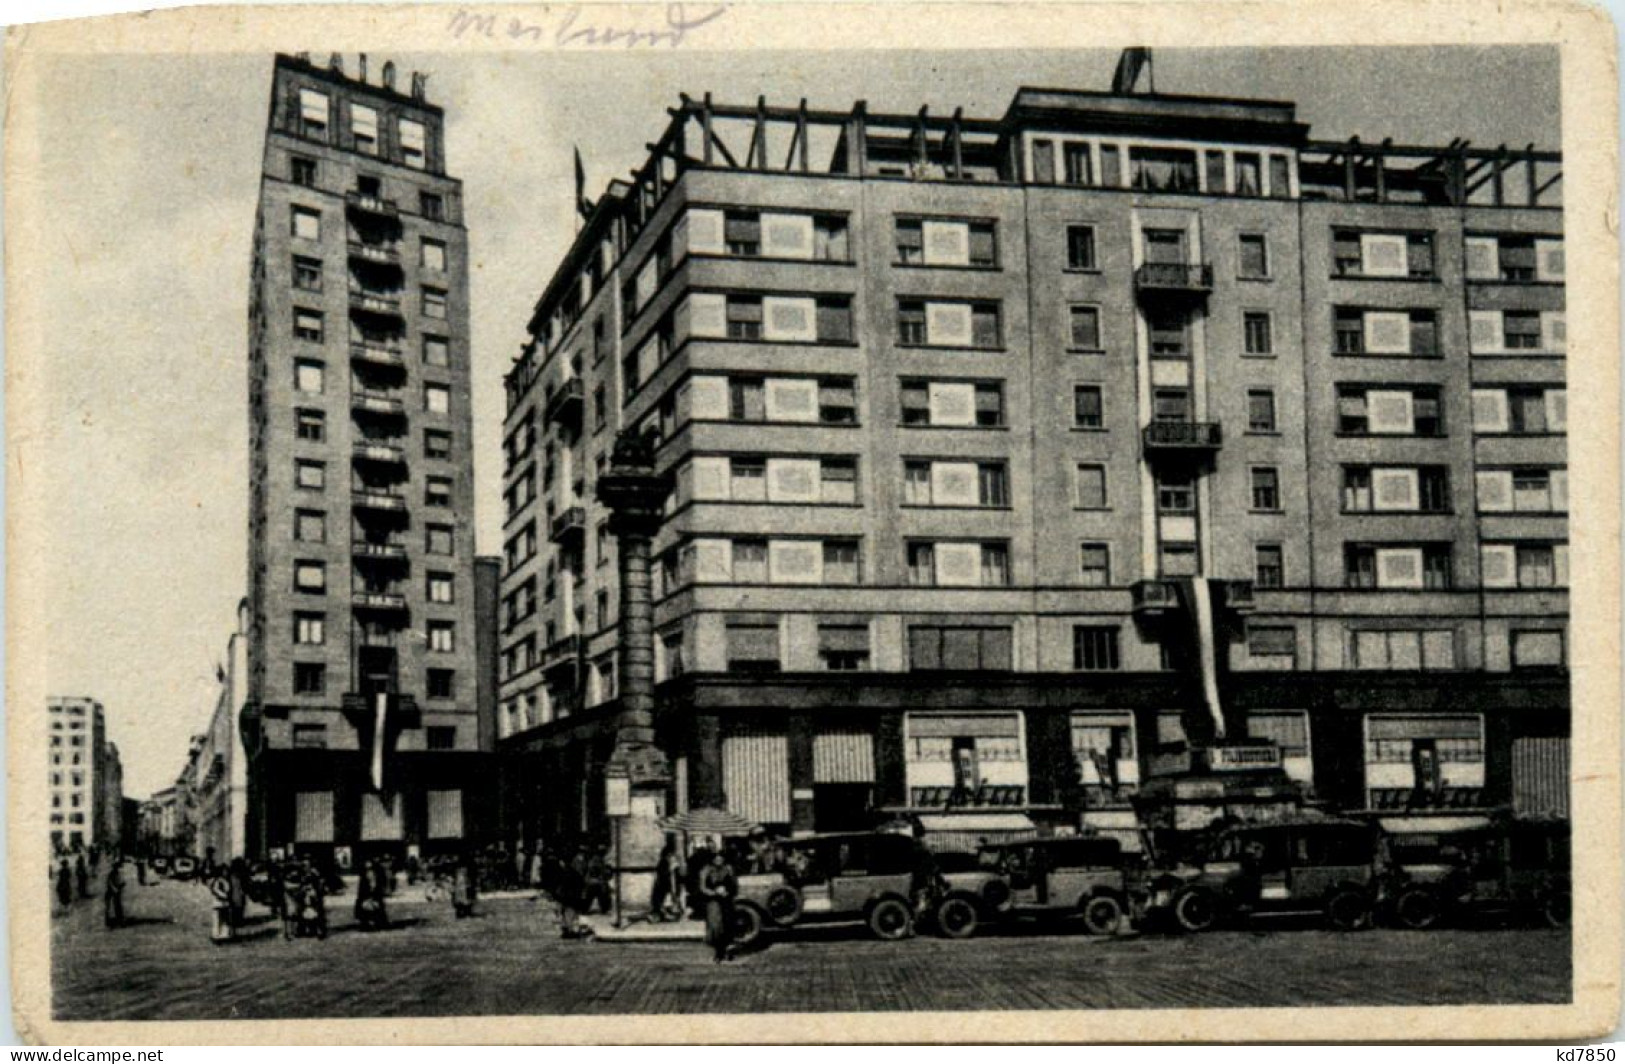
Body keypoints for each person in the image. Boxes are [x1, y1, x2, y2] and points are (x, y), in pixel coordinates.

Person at [698, 849, 739, 963]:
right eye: (716, 858)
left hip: (726, 901)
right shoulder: (706, 870)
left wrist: (728, 892)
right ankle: (718, 952)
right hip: (713, 902)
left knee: (728, 925)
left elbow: (735, 885)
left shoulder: (729, 869)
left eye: (721, 858)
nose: (719, 860)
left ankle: (728, 950)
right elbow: (702, 888)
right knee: (716, 927)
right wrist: (714, 892)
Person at [650, 837, 684, 921]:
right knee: (663, 901)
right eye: (670, 855)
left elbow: (680, 876)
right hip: (663, 887)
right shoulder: (663, 863)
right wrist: (670, 871)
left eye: (672, 855)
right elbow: (662, 876)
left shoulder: (675, 865)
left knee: (673, 899)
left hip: (673, 887)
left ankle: (671, 913)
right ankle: (660, 914)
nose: (672, 857)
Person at [582, 846, 611, 915]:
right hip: (594, 881)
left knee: (594, 895)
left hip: (594, 881)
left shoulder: (599, 859)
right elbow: (594, 869)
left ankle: (603, 908)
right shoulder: (596, 859)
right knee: (598, 894)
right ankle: (585, 909)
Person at [451, 852, 477, 919]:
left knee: (464, 898)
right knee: (462, 898)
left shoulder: (461, 869)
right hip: (461, 884)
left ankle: (464, 912)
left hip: (462, 884)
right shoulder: (460, 870)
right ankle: (463, 912)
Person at [103, 857, 126, 928]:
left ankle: (120, 920)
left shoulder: (117, 873)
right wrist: (115, 888)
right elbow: (109, 882)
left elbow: (123, 882)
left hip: (116, 891)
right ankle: (109, 921)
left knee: (117, 906)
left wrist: (120, 886)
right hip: (111, 891)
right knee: (108, 907)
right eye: (117, 866)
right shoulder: (112, 873)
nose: (117, 868)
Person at [227, 858, 249, 929]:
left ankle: (235, 921)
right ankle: (238, 921)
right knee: (239, 907)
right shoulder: (241, 874)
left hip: (235, 893)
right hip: (238, 893)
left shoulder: (231, 875)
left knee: (235, 907)